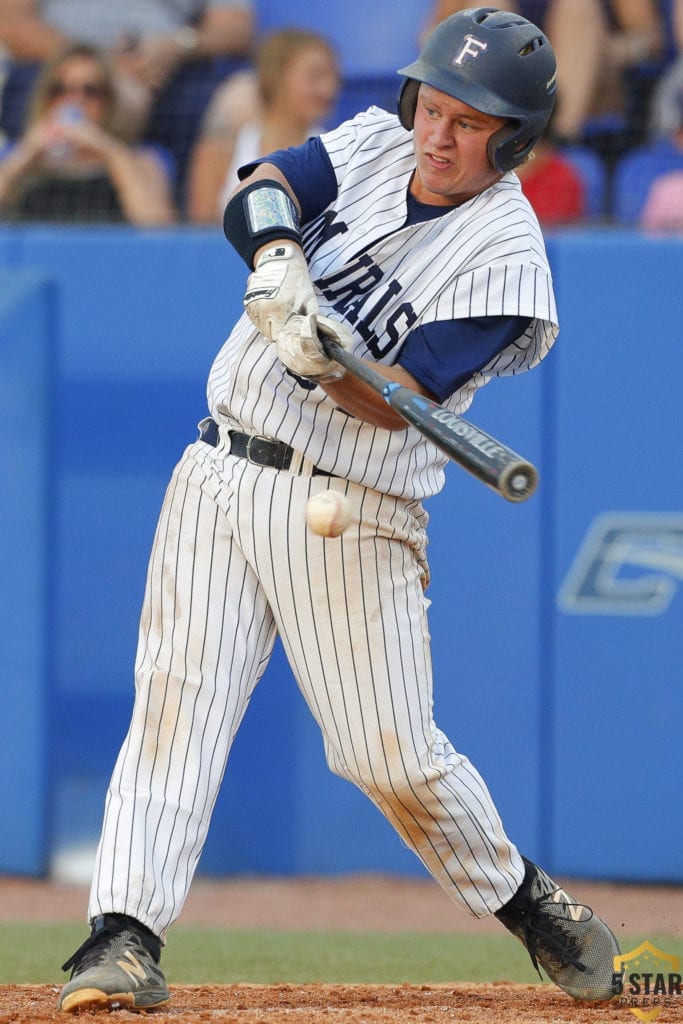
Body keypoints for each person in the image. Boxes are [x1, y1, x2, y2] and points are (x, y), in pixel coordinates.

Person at [57, 8, 620, 1015]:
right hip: (219, 465)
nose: (437, 135)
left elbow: (396, 391)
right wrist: (278, 256)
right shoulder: (372, 139)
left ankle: (523, 897)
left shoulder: (507, 264)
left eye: (468, 122)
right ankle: (122, 935)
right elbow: (263, 185)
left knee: (384, 755)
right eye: (431, 108)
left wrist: (319, 352)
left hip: (349, 504)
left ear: (516, 141)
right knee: (176, 702)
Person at [0, 0, 254, 142]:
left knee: (218, 104)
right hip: (62, 65)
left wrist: (178, 46)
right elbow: (11, 21)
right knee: (54, 90)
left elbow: (237, 28)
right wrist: (97, 63)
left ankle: (197, 232)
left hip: (171, 73)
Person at [0, 42, 176, 224]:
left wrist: (110, 151)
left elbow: (157, 232)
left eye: (90, 91)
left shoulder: (143, 159)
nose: (74, 100)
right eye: (59, 89)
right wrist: (26, 153)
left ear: (110, 100)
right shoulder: (13, 155)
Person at [187, 29, 340, 224]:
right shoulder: (223, 148)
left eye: (333, 77)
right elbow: (200, 231)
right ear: (275, 76)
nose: (329, 89)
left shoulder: (336, 153)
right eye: (315, 76)